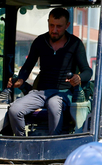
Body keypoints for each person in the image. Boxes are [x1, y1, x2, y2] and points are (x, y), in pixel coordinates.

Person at [7, 8, 93, 136]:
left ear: (67, 25)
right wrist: (20, 79)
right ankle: (22, 142)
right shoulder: (40, 41)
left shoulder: (75, 44)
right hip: (40, 92)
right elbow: (27, 66)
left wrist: (79, 78)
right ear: (48, 22)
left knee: (53, 104)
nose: (54, 30)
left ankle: (54, 142)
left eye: (59, 26)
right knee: (15, 109)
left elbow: (87, 71)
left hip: (63, 93)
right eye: (51, 25)